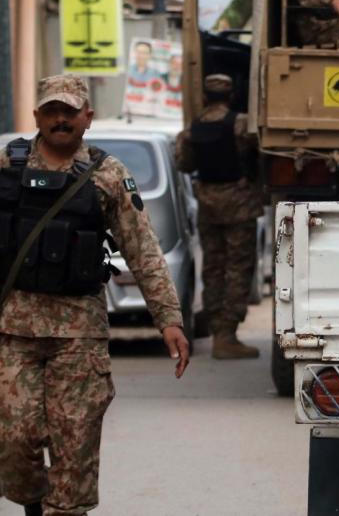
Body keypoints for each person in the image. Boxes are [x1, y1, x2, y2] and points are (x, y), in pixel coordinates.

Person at [0, 75, 190, 516]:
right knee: (13, 441)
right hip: (12, 329)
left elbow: (143, 250)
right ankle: (34, 502)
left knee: (76, 443)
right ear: (37, 117)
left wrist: (169, 320)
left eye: (69, 111)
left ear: (88, 117)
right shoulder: (8, 167)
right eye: (52, 111)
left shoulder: (108, 175)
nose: (60, 119)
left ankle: (63, 508)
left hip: (78, 335)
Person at [174, 74, 264, 360]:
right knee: (238, 267)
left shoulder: (191, 130)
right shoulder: (243, 125)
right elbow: (261, 157)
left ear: (204, 98)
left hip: (208, 206)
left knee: (213, 267)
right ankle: (227, 335)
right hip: (239, 205)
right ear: (231, 96)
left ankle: (217, 330)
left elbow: (184, 164)